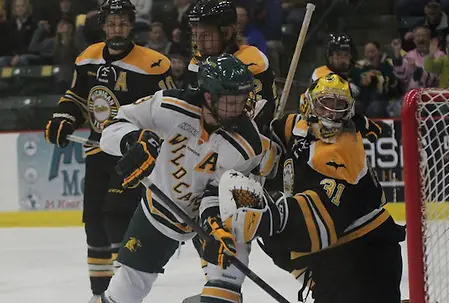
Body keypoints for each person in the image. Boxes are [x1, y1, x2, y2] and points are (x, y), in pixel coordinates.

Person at [98, 54, 279, 303]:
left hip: (210, 217)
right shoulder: (168, 106)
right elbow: (112, 126)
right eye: (231, 101)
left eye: (242, 99)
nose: (239, 107)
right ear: (208, 97)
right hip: (158, 209)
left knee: (226, 281)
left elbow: (217, 191)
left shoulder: (247, 145)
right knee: (125, 290)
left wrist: (216, 229)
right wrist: (131, 140)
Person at [218, 73, 406, 302]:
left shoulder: (342, 151)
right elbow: (277, 145)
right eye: (326, 103)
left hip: (365, 254)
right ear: (309, 103)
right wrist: (256, 129)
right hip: (336, 256)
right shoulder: (297, 125)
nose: (331, 113)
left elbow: (323, 217)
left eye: (339, 106)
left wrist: (274, 216)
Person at [43, 1, 174, 301]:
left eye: (123, 23)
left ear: (132, 25)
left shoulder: (154, 64)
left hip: (134, 157)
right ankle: (99, 294)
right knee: (94, 223)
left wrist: (153, 146)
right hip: (97, 150)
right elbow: (77, 97)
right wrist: (64, 118)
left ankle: (122, 292)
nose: (117, 29)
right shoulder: (88, 58)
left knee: (118, 219)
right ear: (103, 25)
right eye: (112, 23)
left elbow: (168, 112)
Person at [187, 0, 278, 134]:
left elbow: (257, 119)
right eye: (196, 35)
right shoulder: (197, 61)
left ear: (227, 33)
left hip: (245, 140)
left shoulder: (251, 61)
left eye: (206, 35)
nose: (199, 44)